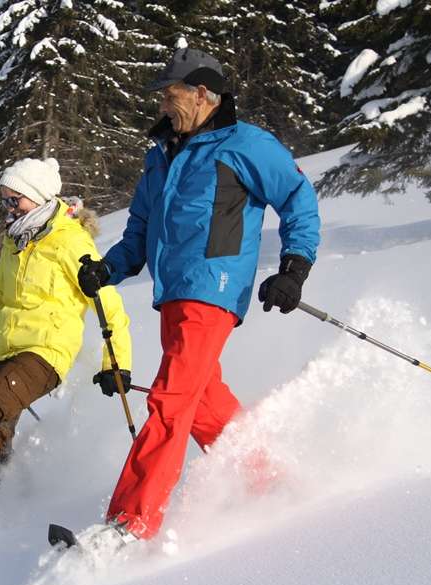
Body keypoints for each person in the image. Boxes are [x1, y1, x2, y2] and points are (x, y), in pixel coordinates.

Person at [77, 47, 321, 542]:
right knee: (204, 404)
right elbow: (140, 226)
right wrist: (109, 268)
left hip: (214, 286)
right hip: (172, 293)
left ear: (203, 93)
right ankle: (270, 483)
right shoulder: (161, 155)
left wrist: (294, 267)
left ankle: (130, 523)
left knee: (170, 400)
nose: (164, 106)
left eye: (171, 96)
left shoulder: (245, 144)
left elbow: (298, 197)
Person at [0, 157, 133, 514]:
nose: (9, 207)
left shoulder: (70, 241)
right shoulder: (16, 242)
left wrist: (116, 364)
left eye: (15, 199)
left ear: (37, 196)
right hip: (6, 351)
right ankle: (23, 497)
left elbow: (108, 305)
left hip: (45, 352)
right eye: (5, 200)